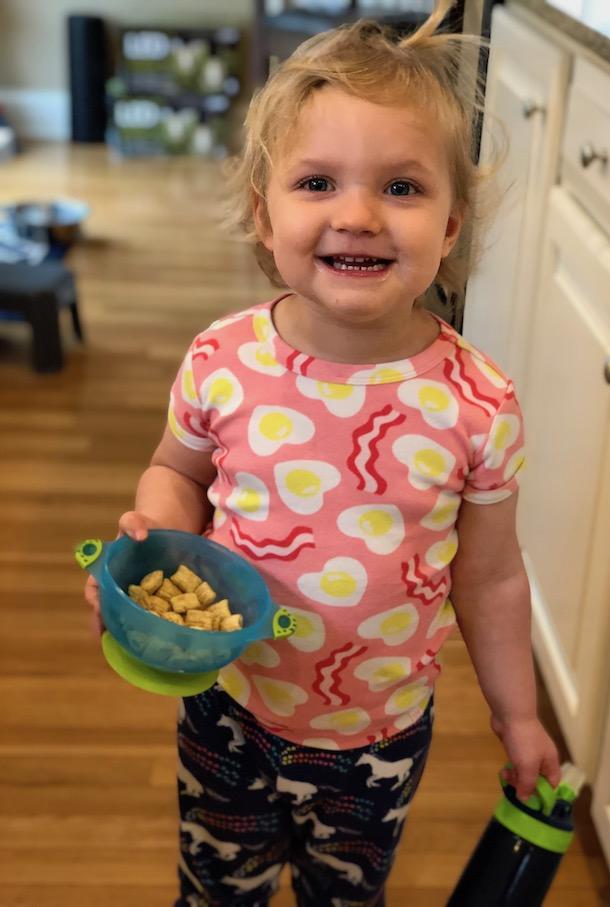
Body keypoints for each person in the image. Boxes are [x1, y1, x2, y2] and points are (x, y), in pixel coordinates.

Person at [85, 2, 560, 905]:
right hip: (228, 705)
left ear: (452, 226)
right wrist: (151, 541)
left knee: (347, 896)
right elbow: (176, 473)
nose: (358, 214)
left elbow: (492, 579)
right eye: (316, 184)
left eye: (403, 188)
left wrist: (520, 712)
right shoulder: (223, 361)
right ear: (264, 215)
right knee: (215, 888)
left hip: (378, 739)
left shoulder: (479, 403)